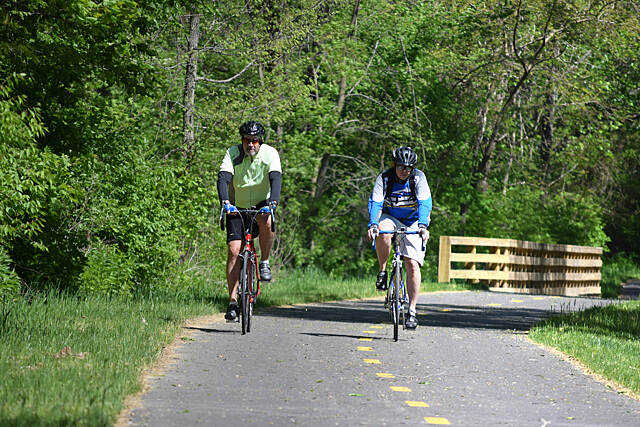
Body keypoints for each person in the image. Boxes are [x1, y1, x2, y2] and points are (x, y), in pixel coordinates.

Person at [217, 120, 282, 321]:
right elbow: (223, 177)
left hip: (262, 203)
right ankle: (233, 302)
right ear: (242, 141)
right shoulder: (233, 153)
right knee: (234, 250)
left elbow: (276, 178)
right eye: (247, 140)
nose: (251, 144)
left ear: (260, 141)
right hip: (238, 205)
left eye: (254, 141)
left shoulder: (270, 154)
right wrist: (225, 201)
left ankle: (264, 262)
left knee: (267, 218)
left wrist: (273, 202)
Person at [366, 146, 432, 330]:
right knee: (383, 231)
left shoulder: (419, 178)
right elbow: (376, 202)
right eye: (401, 167)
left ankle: (412, 311)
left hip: (413, 220)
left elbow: (425, 203)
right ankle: (383, 270)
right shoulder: (385, 178)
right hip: (390, 217)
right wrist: (372, 224)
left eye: (408, 168)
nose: (405, 171)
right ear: (394, 165)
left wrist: (423, 226)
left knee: (412, 264)